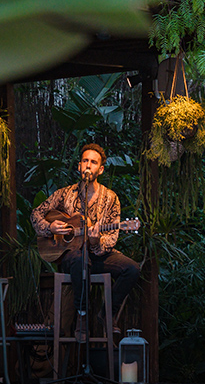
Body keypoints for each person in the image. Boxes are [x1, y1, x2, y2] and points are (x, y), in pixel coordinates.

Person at [30, 143, 141, 342]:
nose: (88, 165)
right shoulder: (64, 194)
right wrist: (50, 228)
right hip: (71, 257)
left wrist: (96, 240)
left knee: (131, 269)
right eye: (85, 161)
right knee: (79, 258)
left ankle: (107, 314)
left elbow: (112, 238)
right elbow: (36, 213)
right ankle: (82, 315)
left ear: (101, 169)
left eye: (93, 162)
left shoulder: (111, 198)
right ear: (79, 166)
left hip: (97, 256)